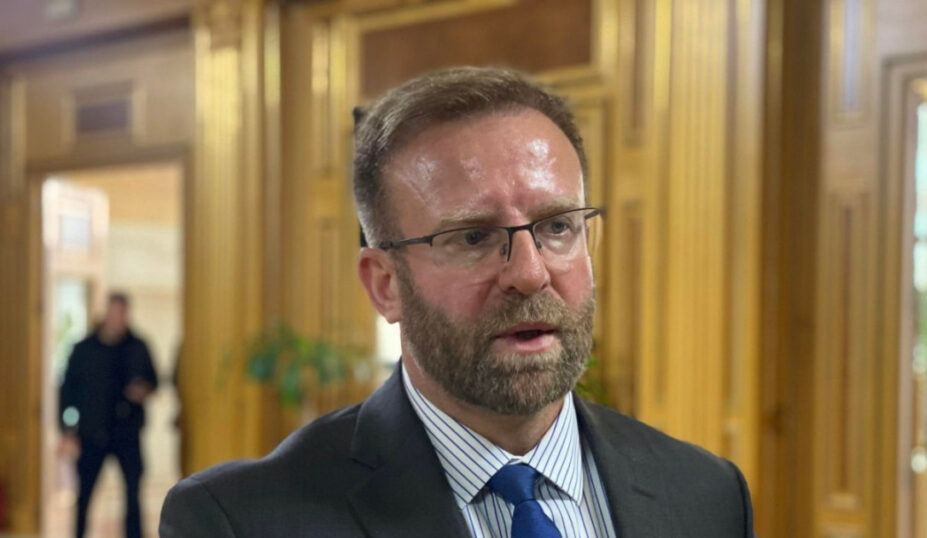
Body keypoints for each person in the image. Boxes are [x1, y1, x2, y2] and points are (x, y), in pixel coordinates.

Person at [160, 66, 754, 537]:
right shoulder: (241, 520)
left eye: (556, 227)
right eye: (472, 238)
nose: (529, 273)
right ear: (385, 284)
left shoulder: (705, 493)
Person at [60, 292, 158, 538]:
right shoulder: (84, 350)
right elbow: (67, 392)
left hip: (127, 433)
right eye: (113, 313)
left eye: (121, 313)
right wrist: (68, 430)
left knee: (133, 493)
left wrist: (143, 390)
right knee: (84, 494)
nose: (117, 318)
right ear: (106, 313)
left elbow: (153, 380)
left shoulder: (138, 346)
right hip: (92, 433)